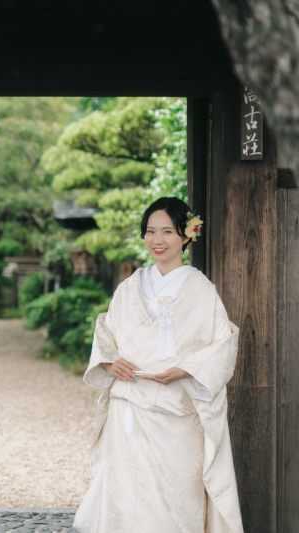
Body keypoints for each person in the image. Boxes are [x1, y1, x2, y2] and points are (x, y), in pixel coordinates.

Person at [73, 197, 243, 533]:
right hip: (128, 412)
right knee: (125, 496)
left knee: (175, 497)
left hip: (175, 412)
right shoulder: (129, 287)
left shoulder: (201, 290)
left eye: (168, 231)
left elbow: (224, 343)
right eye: (150, 231)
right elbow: (106, 332)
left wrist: (186, 369)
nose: (158, 240)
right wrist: (110, 365)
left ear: (186, 236)